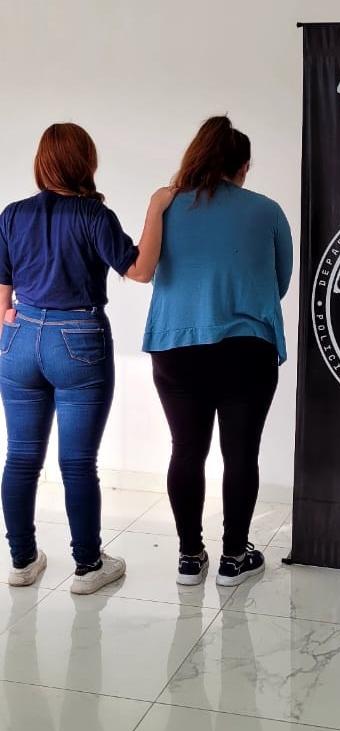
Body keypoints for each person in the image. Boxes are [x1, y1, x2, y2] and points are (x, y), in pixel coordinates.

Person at [0, 123, 174, 594]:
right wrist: (157, 206)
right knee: (77, 463)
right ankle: (88, 566)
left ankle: (21, 562)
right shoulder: (93, 215)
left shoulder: (13, 214)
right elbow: (140, 270)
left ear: (42, 163)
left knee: (20, 457)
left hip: (18, 341)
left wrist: (11, 331)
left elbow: (3, 290)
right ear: (86, 163)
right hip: (77, 339)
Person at [143, 115, 293, 587]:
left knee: (186, 450)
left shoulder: (167, 205)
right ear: (243, 167)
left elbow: (146, 265)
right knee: (241, 454)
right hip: (247, 348)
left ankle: (190, 558)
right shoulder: (267, 210)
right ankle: (233, 558)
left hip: (177, 347)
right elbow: (279, 282)